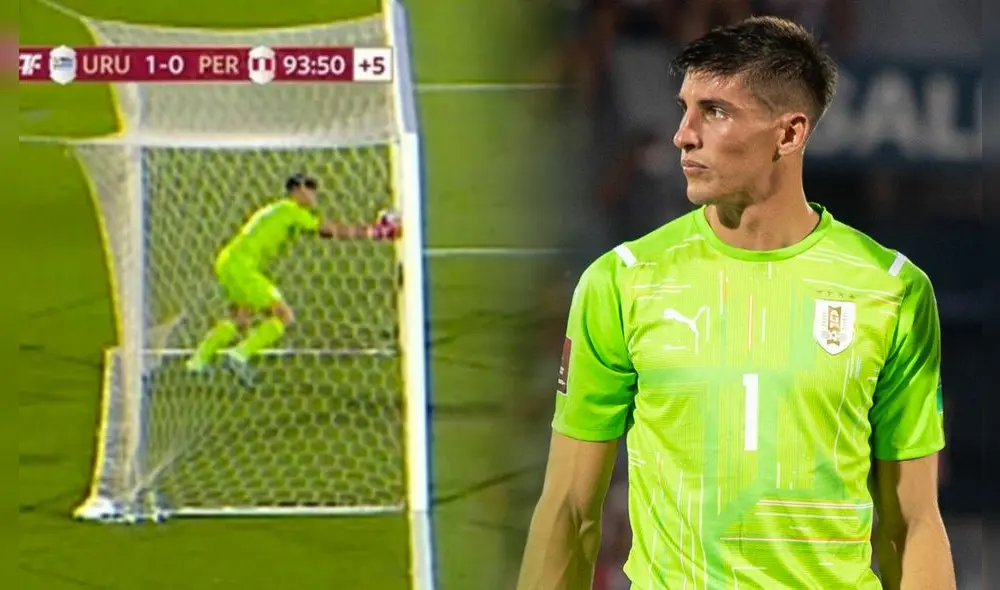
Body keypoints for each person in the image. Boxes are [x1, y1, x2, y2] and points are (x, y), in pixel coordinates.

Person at [516, 17, 954, 590]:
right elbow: (570, 511)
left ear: (790, 134)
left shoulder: (892, 289)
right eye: (684, 108)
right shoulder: (622, 282)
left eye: (715, 111)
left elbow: (913, 523)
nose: (683, 134)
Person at [185, 173, 400, 384]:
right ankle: (240, 355)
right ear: (297, 190)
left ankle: (197, 362)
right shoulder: (291, 210)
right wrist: (373, 232)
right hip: (243, 267)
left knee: (241, 318)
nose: (314, 195)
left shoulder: (278, 209)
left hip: (228, 262)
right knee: (283, 316)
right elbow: (329, 230)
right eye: (310, 189)